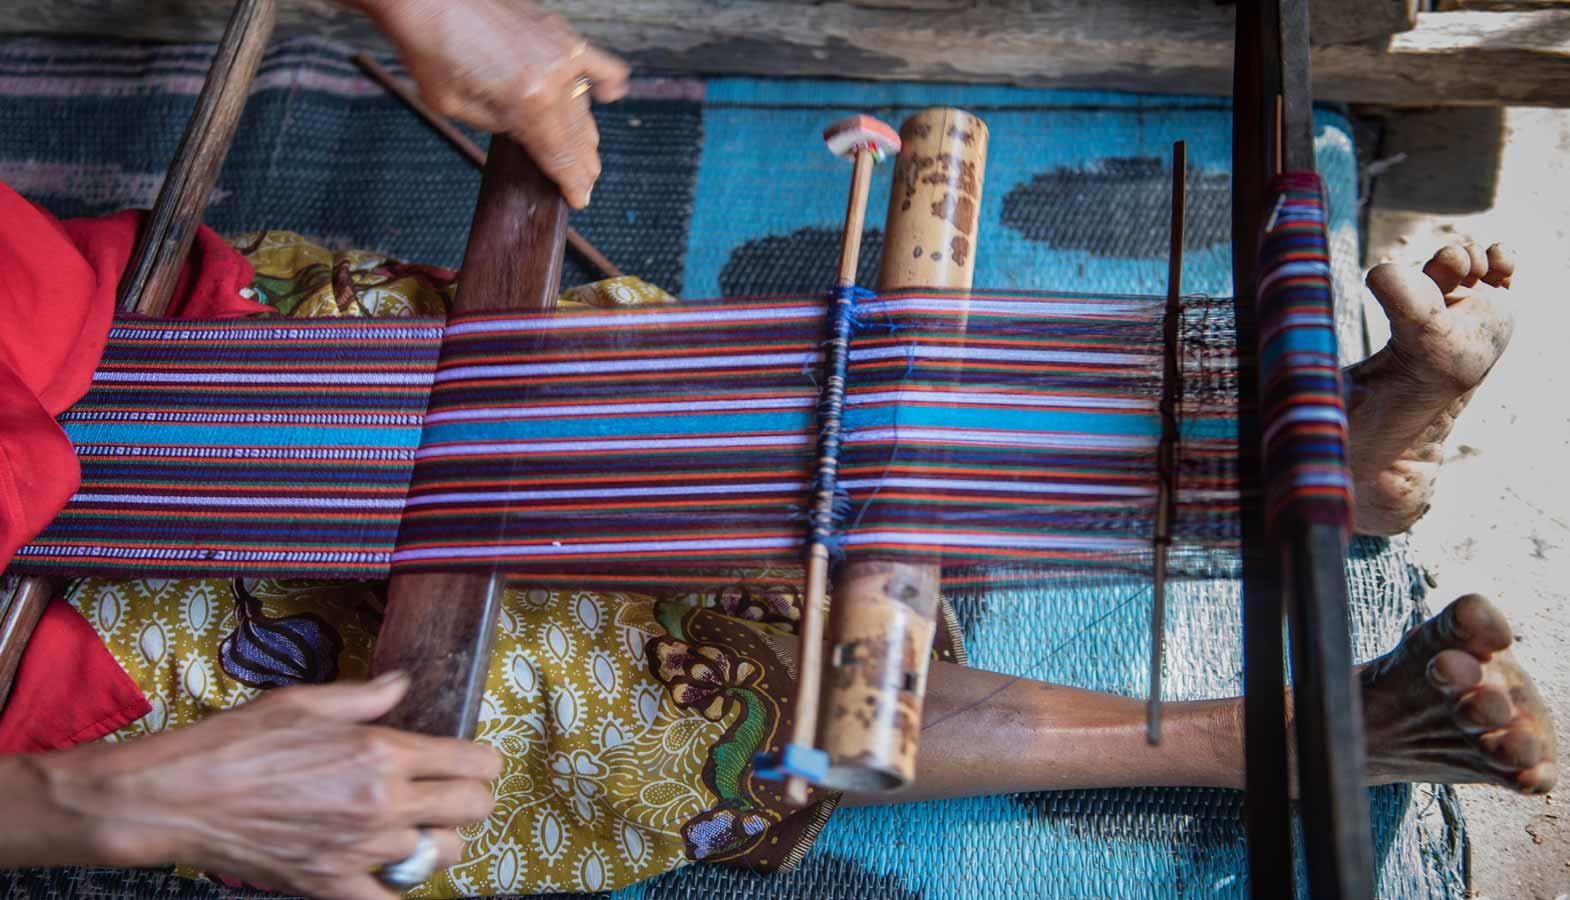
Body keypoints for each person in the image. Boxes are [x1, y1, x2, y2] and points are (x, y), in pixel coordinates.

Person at [0, 2, 1555, 899]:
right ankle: (1262, 736)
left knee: (710, 423)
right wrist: (111, 808)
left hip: (181, 348)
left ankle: (1298, 448)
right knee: (669, 707)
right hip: (81, 674)